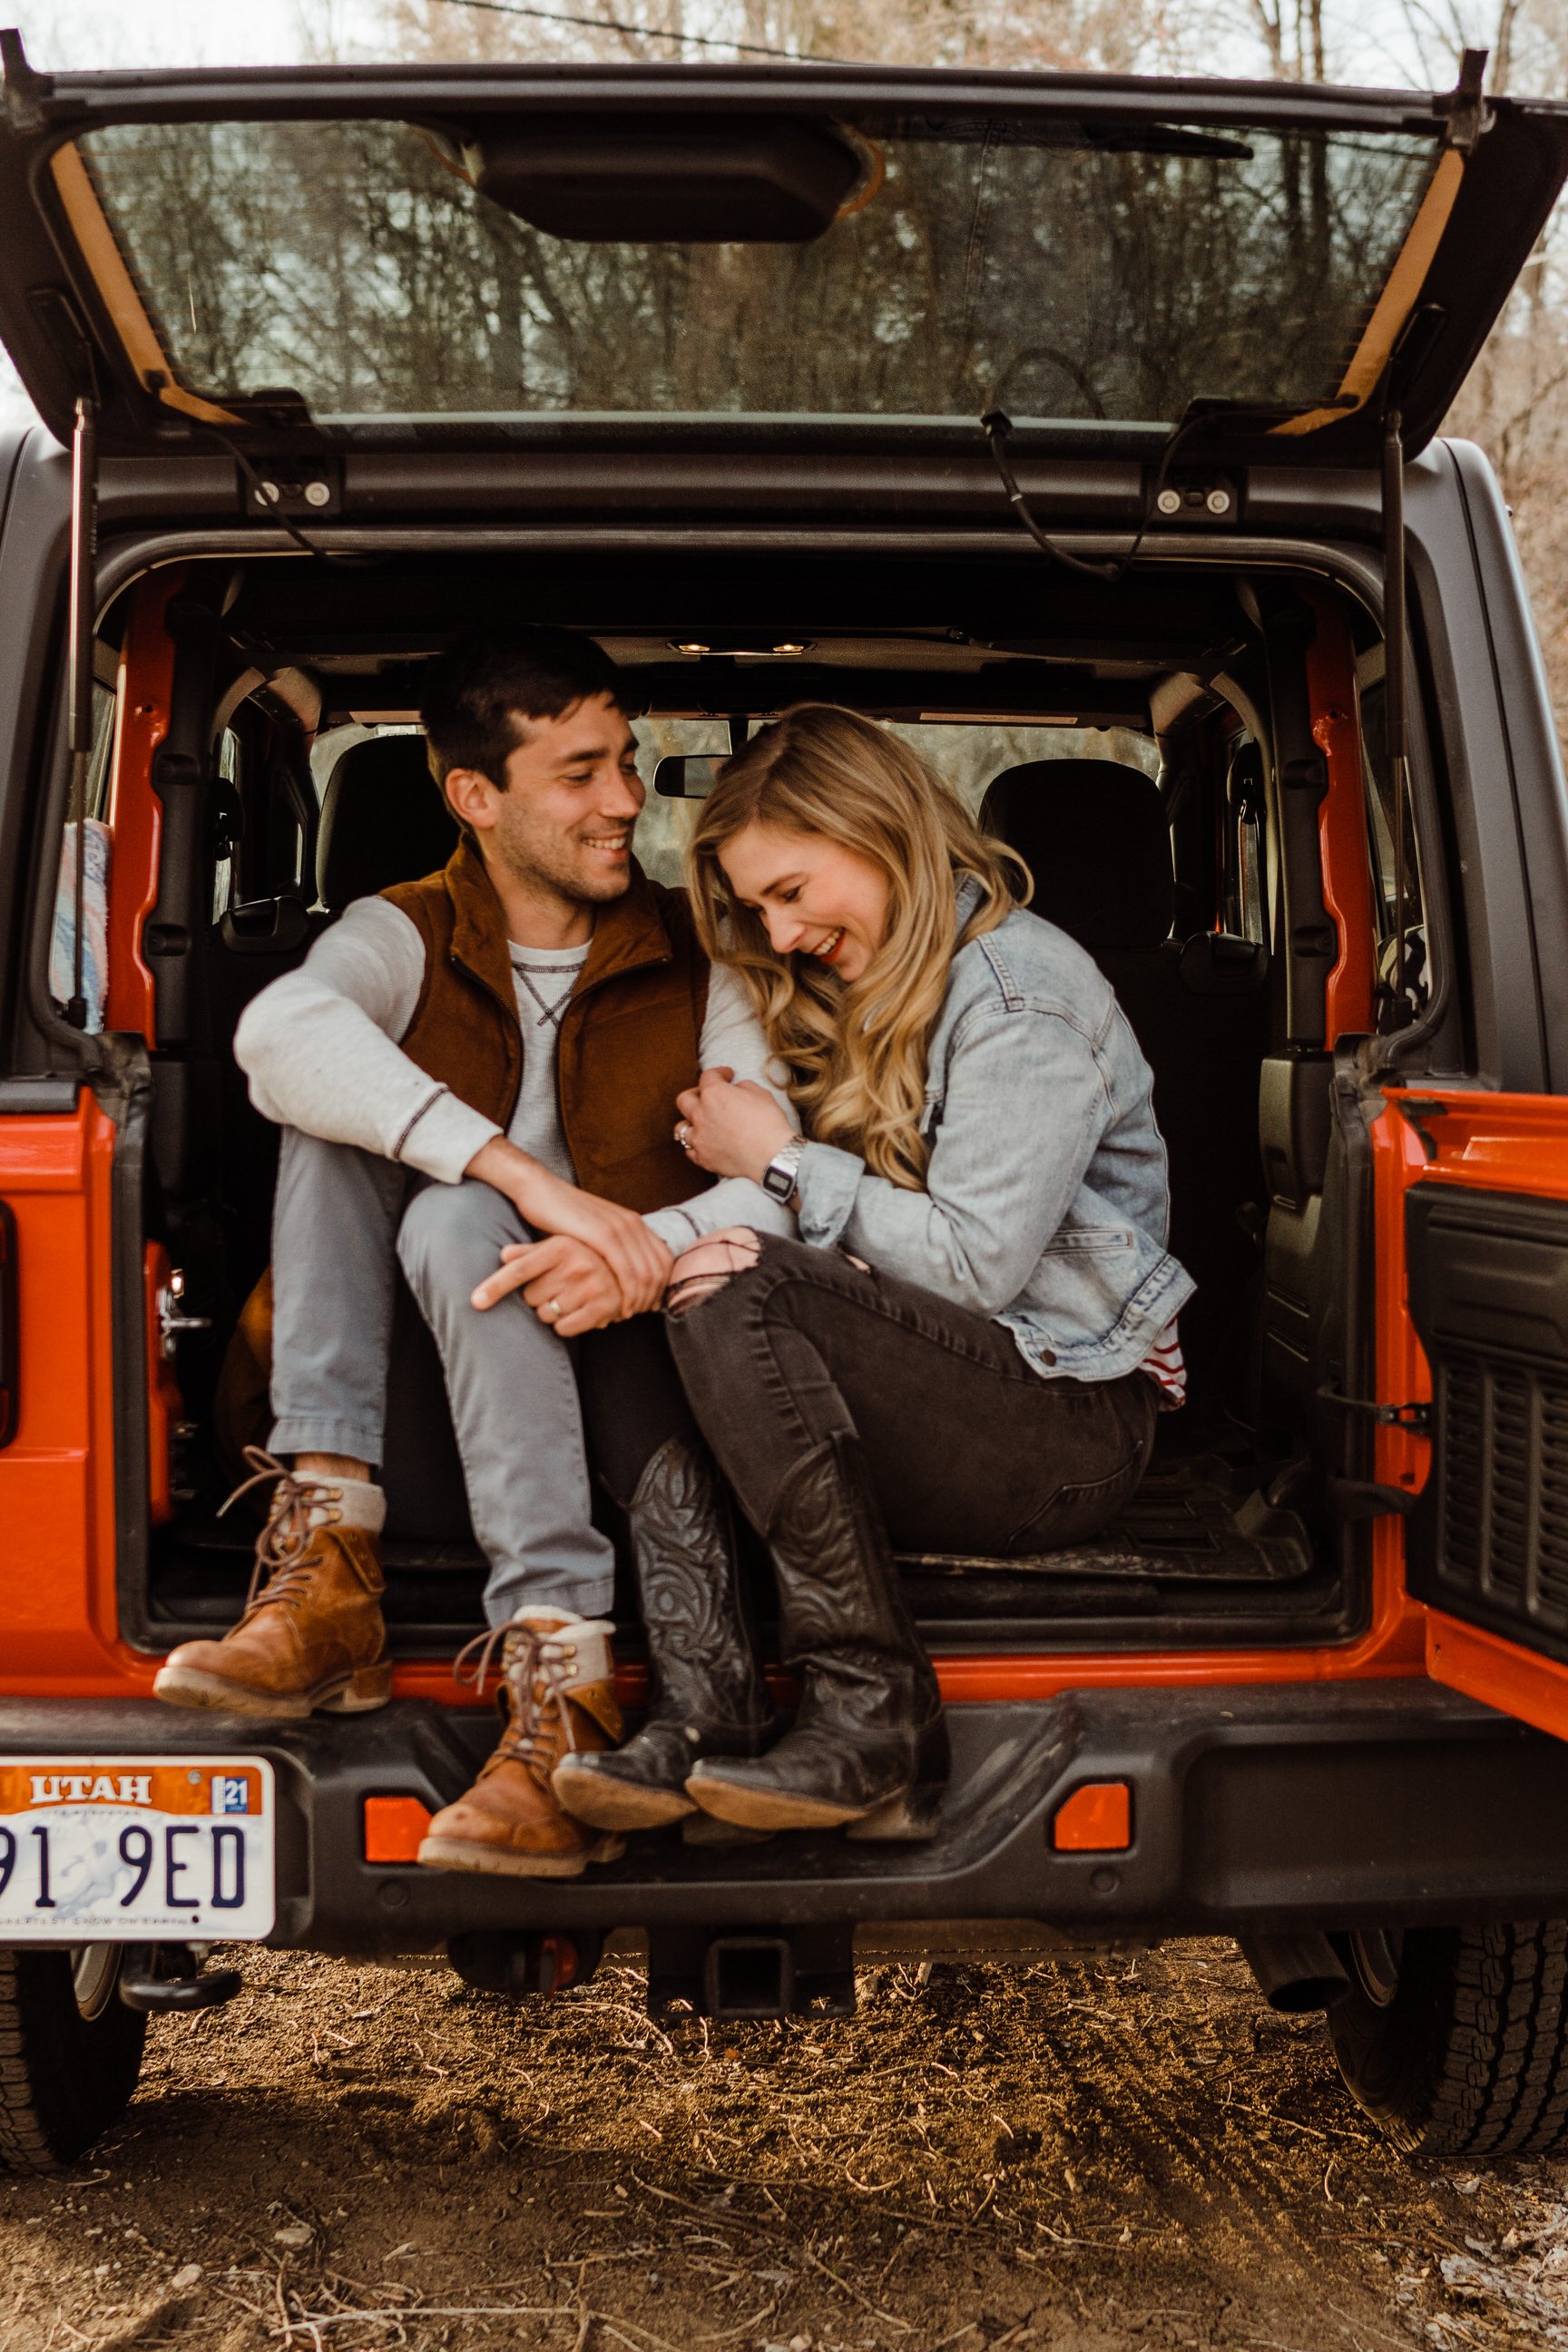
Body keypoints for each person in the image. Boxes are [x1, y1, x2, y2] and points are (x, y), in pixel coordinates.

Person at [152, 627, 792, 1878]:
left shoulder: (706, 951)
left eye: (629, 764)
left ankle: (554, 1670)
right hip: (415, 1420)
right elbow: (280, 1031)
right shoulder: (407, 929)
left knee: (444, 1210)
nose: (625, 804)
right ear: (474, 797)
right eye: (582, 773)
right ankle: (332, 1560)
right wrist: (520, 1177)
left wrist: (635, 1253)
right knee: (335, 1103)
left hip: (628, 1397)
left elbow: (773, 1190)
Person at [554, 705, 1193, 1841]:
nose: (781, 932)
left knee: (739, 1280)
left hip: (1069, 1428)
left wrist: (783, 1163)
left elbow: (975, 1267)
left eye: (794, 891)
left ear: (881, 832)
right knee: (635, 1286)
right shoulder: (853, 986)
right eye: (757, 909)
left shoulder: (1019, 995)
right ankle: (708, 1704)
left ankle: (874, 1718)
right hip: (949, 1400)